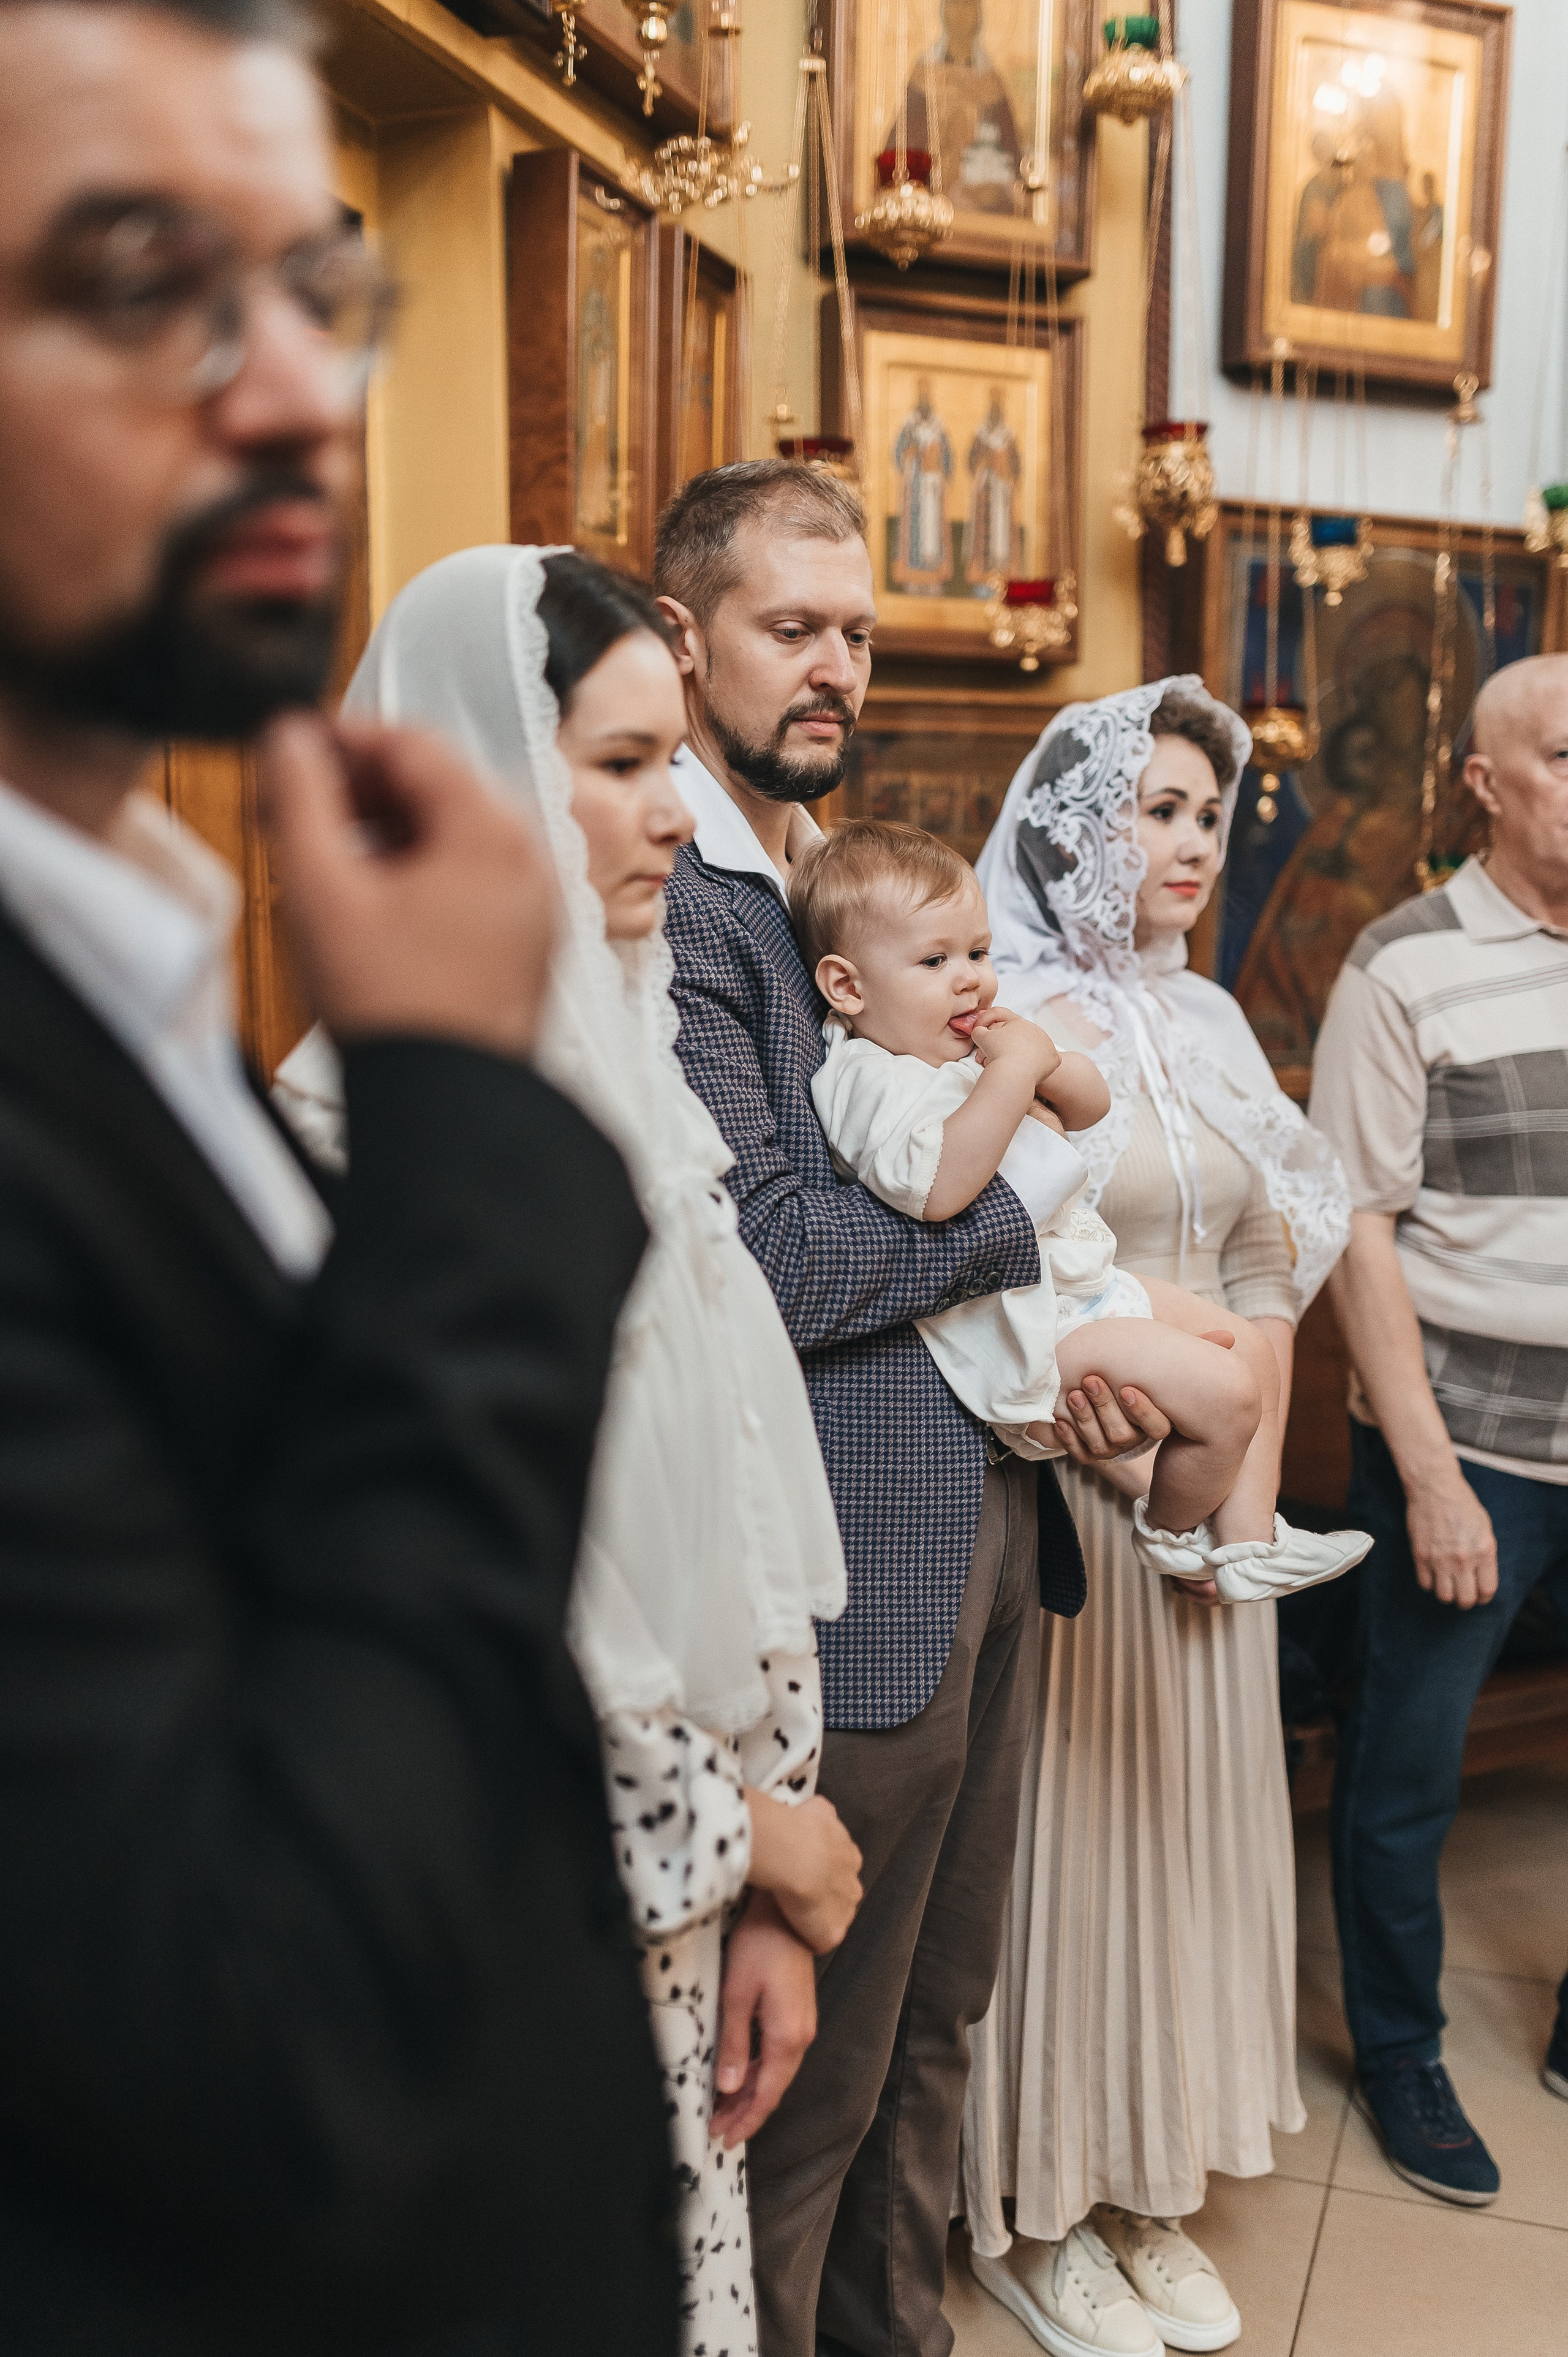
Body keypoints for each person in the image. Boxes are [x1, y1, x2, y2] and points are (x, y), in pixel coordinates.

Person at [0, 2, 676, 2351]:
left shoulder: (129, 960)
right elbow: (242, 2007)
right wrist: (470, 1122)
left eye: (315, 285)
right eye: (134, 277)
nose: (293, 389)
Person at [289, 542, 863, 2357]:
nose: (673, 818)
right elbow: (460, 1689)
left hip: (692, 1933)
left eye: (673, 762)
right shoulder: (343, 1159)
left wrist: (774, 1886)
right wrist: (761, 1837)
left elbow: (745, 1519)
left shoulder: (647, 1090)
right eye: (616, 766)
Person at [652, 458, 1161, 2357]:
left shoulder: (815, 880)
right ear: (686, 636)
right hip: (848, 1568)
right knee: (816, 2073)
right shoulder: (693, 909)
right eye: (795, 629)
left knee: (937, 2022)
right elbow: (776, 1261)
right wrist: (1022, 1217)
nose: (835, 668)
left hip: (977, 1514)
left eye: (854, 631)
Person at [961, 679, 1352, 2357]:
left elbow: (1268, 1256)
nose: (1191, 842)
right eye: (1158, 807)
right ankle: (1037, 2209)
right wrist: (1138, 1453)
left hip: (1210, 1502)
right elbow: (987, 1262)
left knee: (1181, 1847)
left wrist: (1238, 1497)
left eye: (1209, 814)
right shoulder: (1003, 1009)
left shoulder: (1204, 1023)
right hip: (1069, 1474)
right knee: (1066, 1850)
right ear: (1071, 821)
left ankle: (1149, 2191)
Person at [796, 817, 1369, 1601]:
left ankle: (1246, 1546)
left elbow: (1093, 1106)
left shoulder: (966, 1048)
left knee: (1250, 1352)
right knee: (1224, 1392)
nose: (968, 978)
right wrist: (1014, 1075)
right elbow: (938, 1189)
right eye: (934, 960)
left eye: (978, 952)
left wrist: (1042, 1059)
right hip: (1021, 1330)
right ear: (847, 986)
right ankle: (1170, 1534)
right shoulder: (867, 1077)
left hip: (1077, 1284)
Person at [1310, 651, 1568, 2207]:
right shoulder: (1398, 967)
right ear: (1482, 783)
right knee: (1403, 1774)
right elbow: (1352, 1227)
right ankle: (1398, 2054)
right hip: (1462, 1448)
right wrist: (1423, 1476)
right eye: (1562, 754)